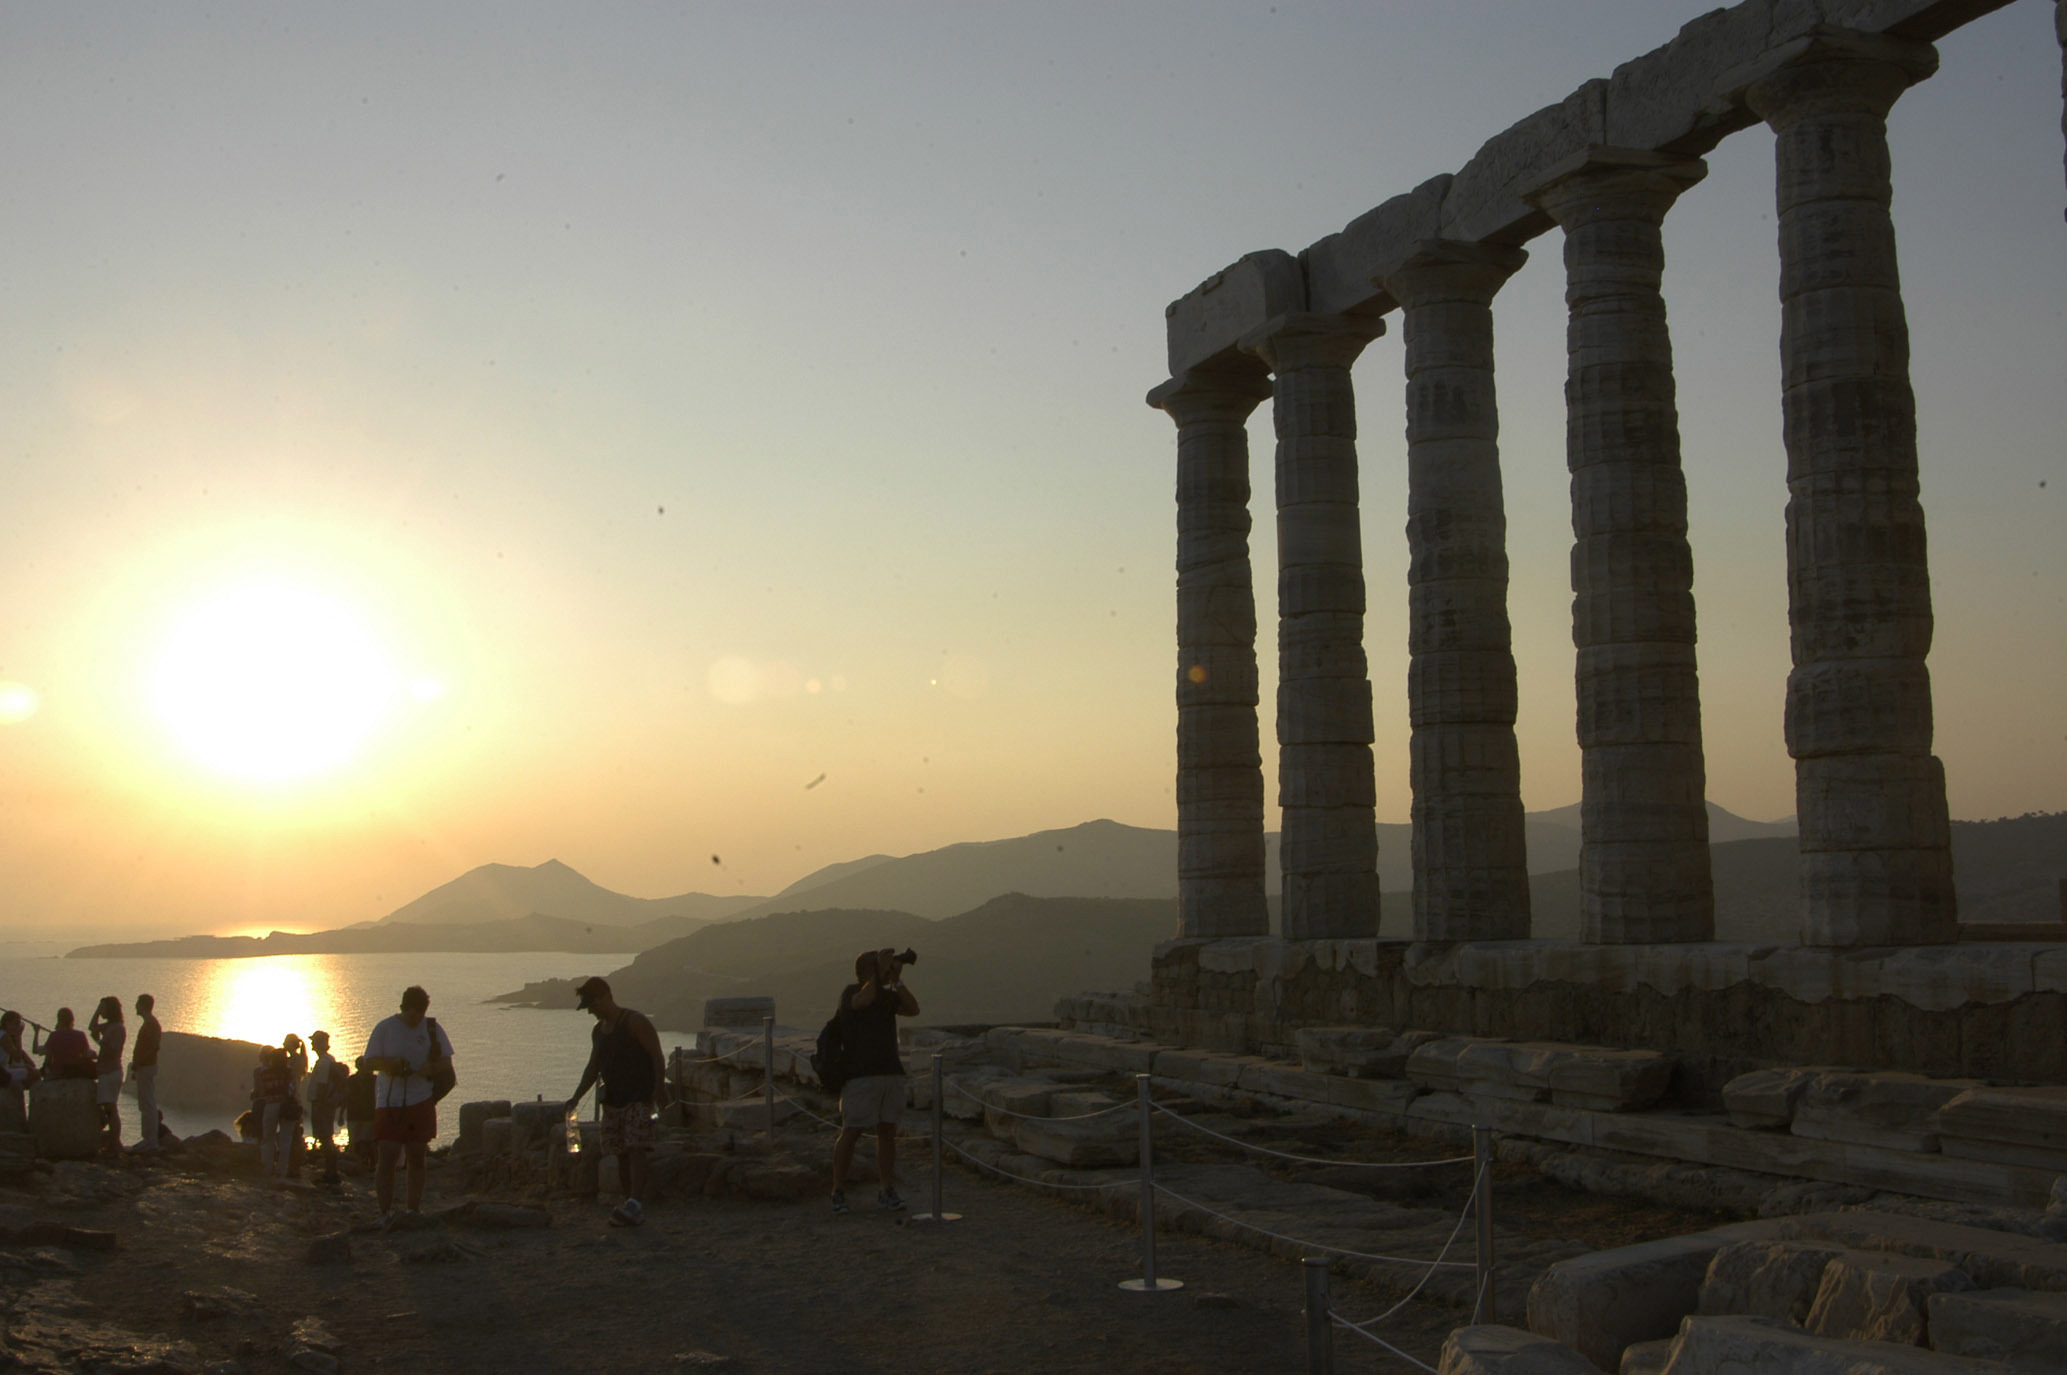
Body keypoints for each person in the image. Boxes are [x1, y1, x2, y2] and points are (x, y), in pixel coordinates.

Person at [563, 977, 667, 1228]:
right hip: (613, 1101)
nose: (590, 1010)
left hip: (638, 1097)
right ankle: (629, 1203)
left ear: (605, 997)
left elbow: (656, 1056)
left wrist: (657, 1090)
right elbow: (593, 1067)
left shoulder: (635, 1022)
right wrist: (576, 1096)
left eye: (592, 1004)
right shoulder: (599, 1032)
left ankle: (635, 1202)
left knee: (637, 1147)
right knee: (619, 1151)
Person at [828, 947, 919, 1214]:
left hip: (889, 1072)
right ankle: (838, 1190)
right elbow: (862, 1002)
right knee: (852, 1132)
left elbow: (913, 1009)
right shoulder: (851, 993)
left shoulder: (888, 997)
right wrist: (879, 976)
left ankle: (886, 1189)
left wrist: (897, 979)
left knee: (887, 1133)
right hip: (860, 1076)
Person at [362, 985, 453, 1227]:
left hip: (420, 1098)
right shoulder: (385, 1028)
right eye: (412, 1014)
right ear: (403, 1009)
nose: (416, 1019)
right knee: (388, 1156)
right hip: (390, 1101)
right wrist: (391, 1065)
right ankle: (385, 1212)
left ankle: (413, 1210)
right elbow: (369, 1062)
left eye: (420, 1014)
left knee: (417, 1155)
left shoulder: (432, 1029)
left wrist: (429, 1069)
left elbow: (446, 1062)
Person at [306, 1030, 345, 1184]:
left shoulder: (323, 1062)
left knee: (325, 1137)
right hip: (326, 1104)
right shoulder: (328, 1059)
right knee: (326, 1136)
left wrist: (319, 1106)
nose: (312, 1044)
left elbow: (321, 1086)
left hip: (321, 1104)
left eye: (314, 1041)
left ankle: (331, 1173)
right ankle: (330, 1172)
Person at [87, 996, 125, 1153]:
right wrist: (97, 1010)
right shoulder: (110, 1026)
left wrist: (99, 1043)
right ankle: (113, 1142)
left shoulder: (117, 1028)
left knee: (110, 1109)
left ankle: (115, 1143)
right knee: (108, 1107)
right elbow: (92, 1027)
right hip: (106, 1071)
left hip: (111, 1071)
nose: (101, 1011)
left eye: (103, 1008)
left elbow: (112, 1050)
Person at [251, 1046, 292, 1177]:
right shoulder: (289, 1073)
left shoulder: (265, 1074)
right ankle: (282, 1170)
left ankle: (267, 1167)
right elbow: (292, 1090)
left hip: (271, 1105)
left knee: (267, 1138)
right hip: (287, 1106)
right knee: (285, 1140)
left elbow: (261, 1092)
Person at [131, 994, 162, 1154]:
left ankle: (151, 1141)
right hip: (144, 1066)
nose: (135, 1006)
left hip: (146, 1066)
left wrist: (139, 1062)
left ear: (143, 1005)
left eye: (138, 1003)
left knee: (148, 1104)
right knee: (145, 1103)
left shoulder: (151, 1024)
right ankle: (148, 1139)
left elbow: (153, 1046)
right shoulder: (149, 1023)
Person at [1, 1011, 40, 1131]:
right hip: (2, 1074)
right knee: (36, 1074)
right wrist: (19, 1036)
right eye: (16, 1024)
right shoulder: (4, 1036)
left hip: (3, 1070)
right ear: (7, 1024)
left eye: (19, 1024)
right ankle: (34, 1117)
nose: (18, 1027)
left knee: (29, 1070)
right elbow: (17, 1056)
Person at [36, 1007, 94, 1080]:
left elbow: (48, 1057)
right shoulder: (81, 1035)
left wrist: (36, 1032)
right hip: (75, 1071)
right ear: (72, 1019)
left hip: (58, 1072)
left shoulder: (54, 1035)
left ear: (59, 1020)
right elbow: (85, 1055)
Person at [343, 1056, 377, 1164]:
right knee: (355, 1140)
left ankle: (368, 1161)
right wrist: (341, 1113)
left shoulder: (373, 1080)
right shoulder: (351, 1080)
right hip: (355, 1114)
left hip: (368, 1114)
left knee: (367, 1140)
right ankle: (357, 1161)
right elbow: (346, 1097)